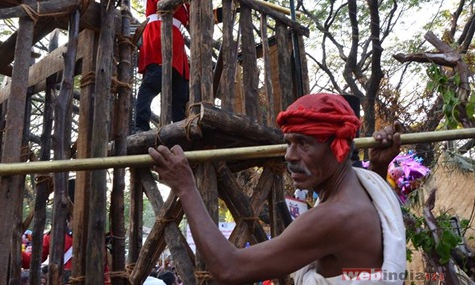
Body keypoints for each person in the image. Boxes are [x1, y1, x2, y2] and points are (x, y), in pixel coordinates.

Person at [148, 93, 406, 284]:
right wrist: (379, 169)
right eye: (289, 143)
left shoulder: (334, 216)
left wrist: (185, 186)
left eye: (303, 144)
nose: (289, 156)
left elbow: (229, 268)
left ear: (338, 148)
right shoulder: (364, 186)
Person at [134, 0, 196, 132]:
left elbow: (189, 17)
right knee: (154, 80)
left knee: (181, 90)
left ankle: (179, 128)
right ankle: (140, 125)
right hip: (159, 33)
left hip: (176, 41)